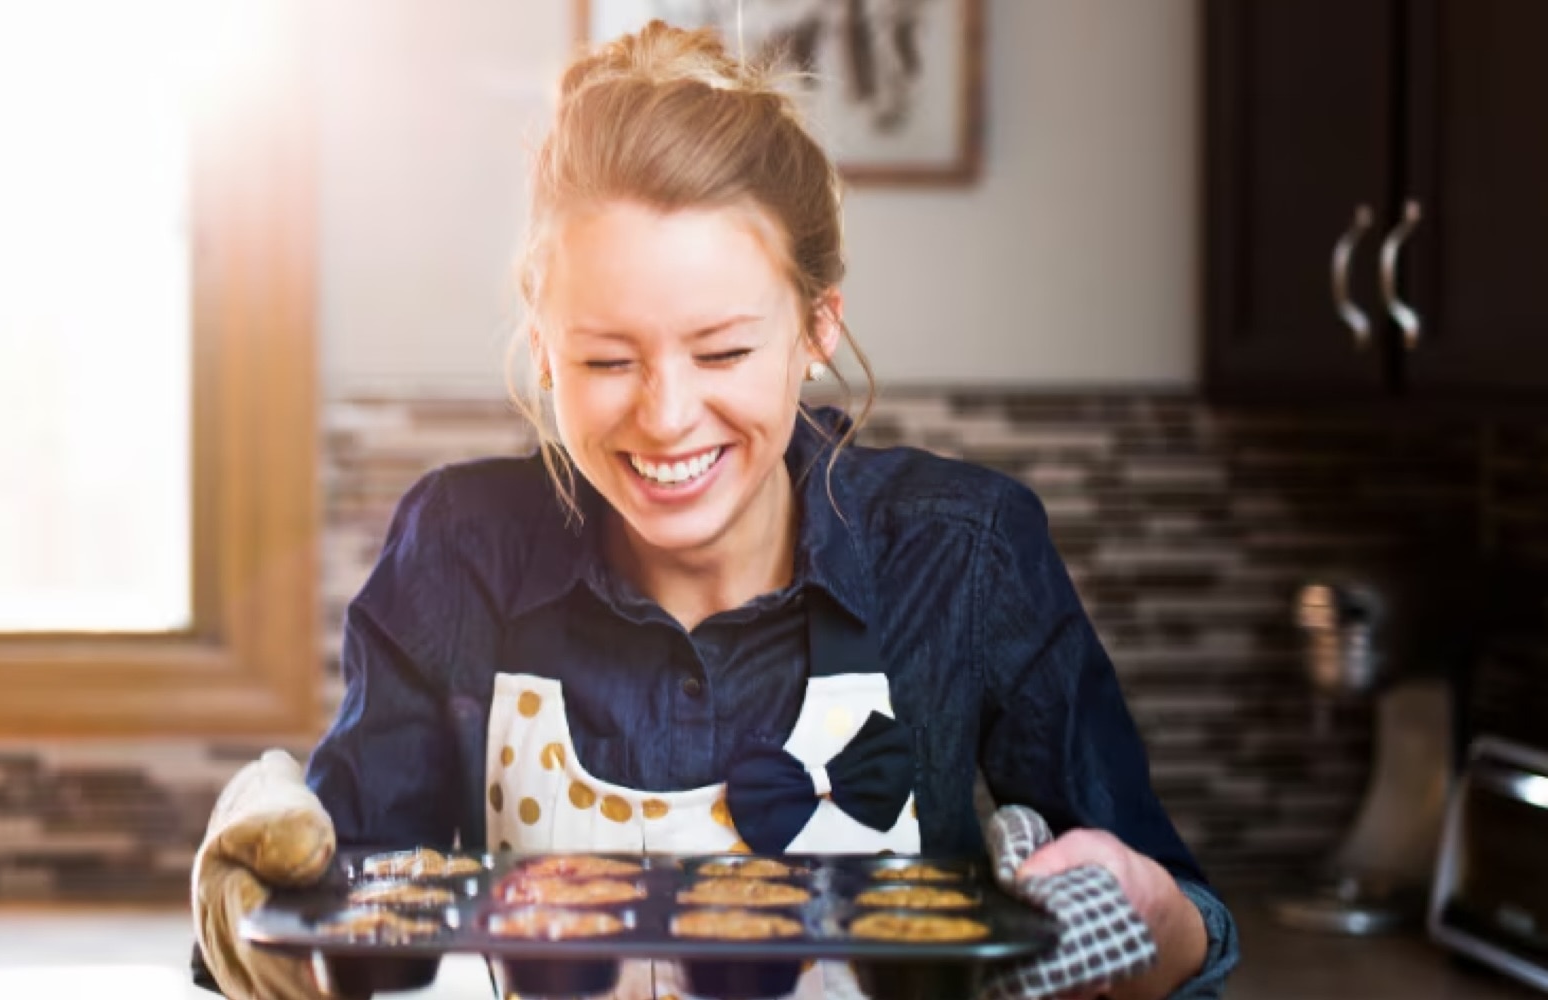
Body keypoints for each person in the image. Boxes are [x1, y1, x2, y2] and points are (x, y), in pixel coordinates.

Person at [193, 21, 1238, 1000]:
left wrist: (1140, 909)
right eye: (607, 358)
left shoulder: (963, 554)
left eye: (725, 350)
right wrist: (257, 914)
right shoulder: (459, 552)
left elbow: (1188, 934)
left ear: (817, 326)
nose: (667, 415)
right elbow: (360, 932)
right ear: (543, 339)